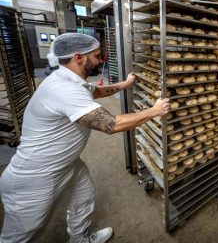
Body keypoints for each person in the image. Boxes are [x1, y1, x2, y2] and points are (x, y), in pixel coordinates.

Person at [0, 33, 170, 243]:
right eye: (97, 56)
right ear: (79, 57)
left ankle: (80, 238)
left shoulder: (70, 78)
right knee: (23, 233)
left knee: (83, 194)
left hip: (66, 163)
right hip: (35, 175)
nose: (101, 60)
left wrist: (126, 83)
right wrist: (153, 112)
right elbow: (112, 124)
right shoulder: (64, 89)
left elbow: (97, 92)